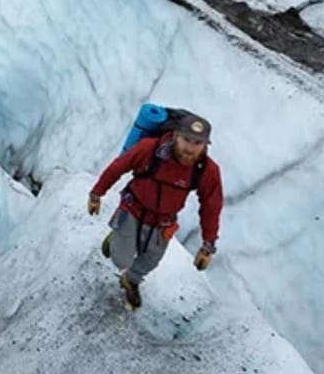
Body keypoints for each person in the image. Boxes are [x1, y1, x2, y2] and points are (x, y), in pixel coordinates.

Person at [87, 112, 223, 309]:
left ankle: (131, 281)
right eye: (187, 139)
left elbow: (212, 205)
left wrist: (208, 245)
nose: (190, 147)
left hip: (164, 221)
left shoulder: (206, 170)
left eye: (197, 143)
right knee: (120, 259)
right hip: (133, 208)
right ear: (176, 135)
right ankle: (115, 238)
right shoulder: (149, 150)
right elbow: (118, 167)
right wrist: (96, 194)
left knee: (151, 260)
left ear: (205, 145)